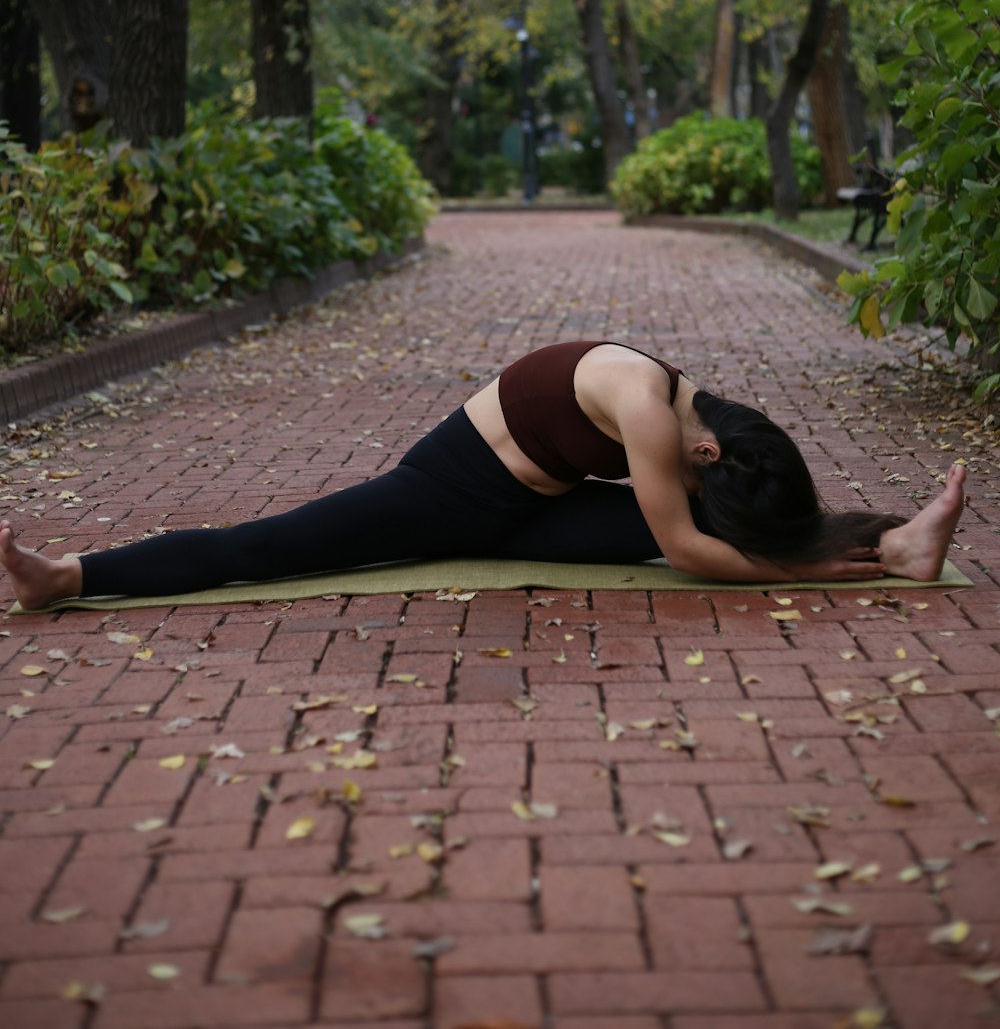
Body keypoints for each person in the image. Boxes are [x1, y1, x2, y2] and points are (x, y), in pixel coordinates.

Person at [0, 340, 966, 610]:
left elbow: (695, 531)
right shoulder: (644, 404)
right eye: (711, 479)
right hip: (450, 501)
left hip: (530, 516)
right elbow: (680, 548)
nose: (699, 482)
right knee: (267, 546)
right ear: (703, 451)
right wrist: (793, 575)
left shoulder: (689, 412)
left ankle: (894, 541)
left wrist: (794, 544)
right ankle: (73, 573)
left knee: (713, 537)